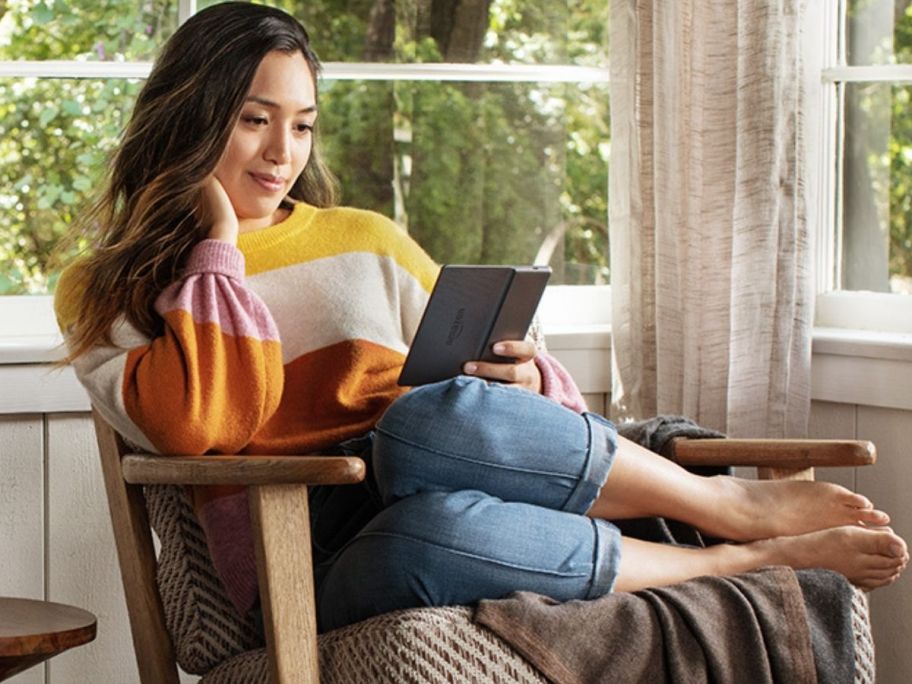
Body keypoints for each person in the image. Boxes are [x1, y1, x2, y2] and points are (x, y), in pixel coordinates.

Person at [54, 2, 907, 633]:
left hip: (437, 464)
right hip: (303, 554)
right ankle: (736, 561)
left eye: (304, 126)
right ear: (193, 115)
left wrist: (522, 373)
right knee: (425, 534)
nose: (284, 153)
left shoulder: (367, 239)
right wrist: (215, 250)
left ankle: (733, 515)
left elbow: (523, 403)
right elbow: (194, 427)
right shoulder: (107, 289)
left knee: (424, 426)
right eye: (254, 121)